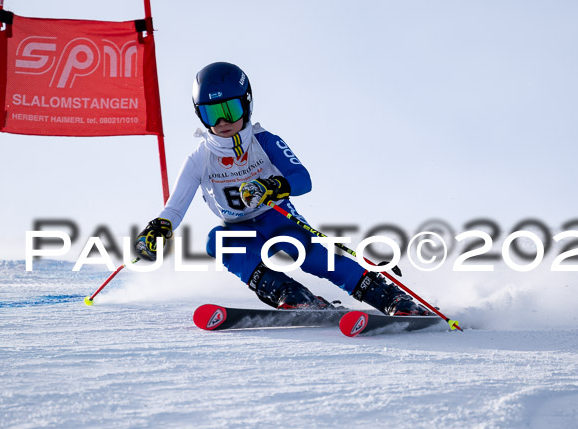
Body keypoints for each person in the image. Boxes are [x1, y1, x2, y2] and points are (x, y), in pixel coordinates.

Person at [134, 62, 429, 316]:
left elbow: (302, 180)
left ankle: (388, 296)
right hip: (239, 227)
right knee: (217, 241)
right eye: (213, 114)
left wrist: (273, 186)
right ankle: (290, 294)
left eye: (230, 109)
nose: (223, 121)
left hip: (277, 217)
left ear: (246, 104)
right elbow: (175, 206)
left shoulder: (264, 140)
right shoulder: (199, 158)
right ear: (201, 116)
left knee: (303, 252)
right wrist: (158, 229)